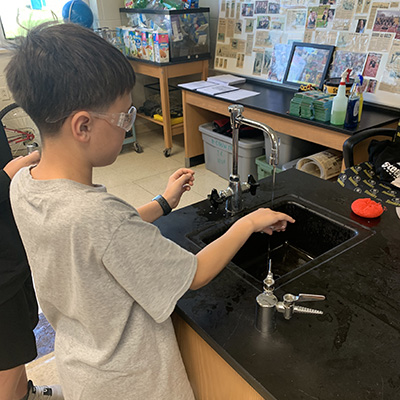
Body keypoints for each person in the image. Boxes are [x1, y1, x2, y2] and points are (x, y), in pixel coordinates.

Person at [7, 23, 295, 400]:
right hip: (134, 382)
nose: (129, 122)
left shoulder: (24, 183)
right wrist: (247, 223)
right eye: (125, 116)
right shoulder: (99, 217)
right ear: (83, 126)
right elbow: (195, 273)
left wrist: (162, 203)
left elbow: (93, 240)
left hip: (82, 368)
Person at [0, 125, 63, 399]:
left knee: (19, 342)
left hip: (10, 247)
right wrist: (10, 174)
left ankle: (25, 393)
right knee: (8, 354)